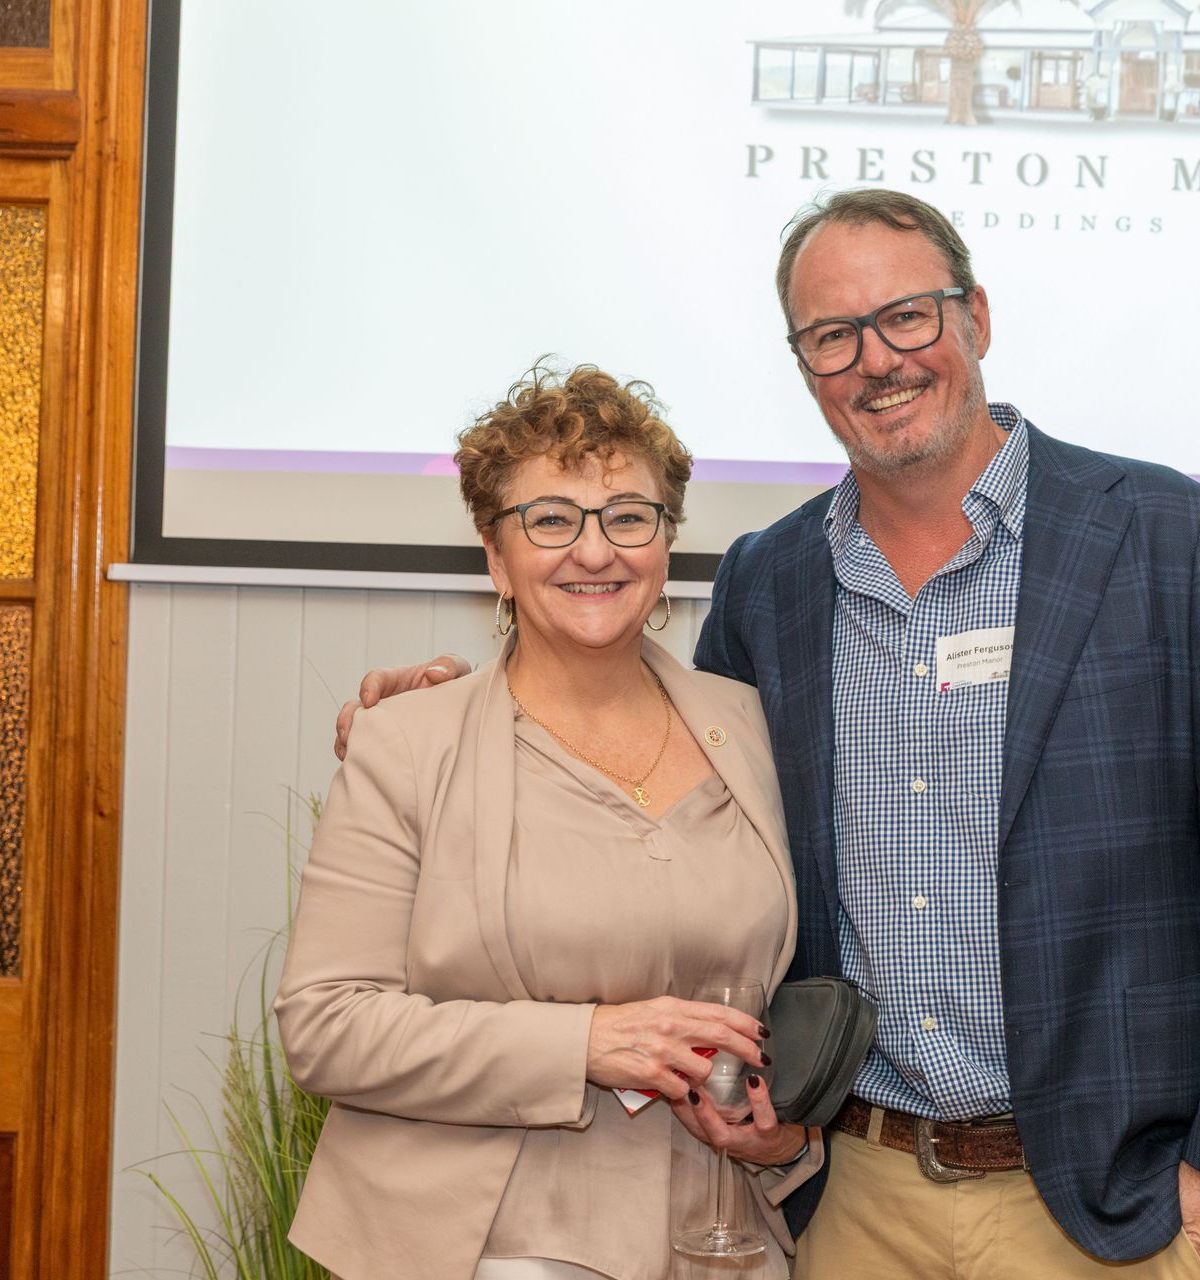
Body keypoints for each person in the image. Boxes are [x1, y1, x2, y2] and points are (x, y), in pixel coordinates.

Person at [343, 191, 1200, 1280]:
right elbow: (659, 770)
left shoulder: (1167, 536)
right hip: (853, 1197)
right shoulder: (771, 582)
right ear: (804, 363)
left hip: (1116, 1206)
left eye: (908, 316)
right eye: (833, 335)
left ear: (978, 318)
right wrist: (453, 703)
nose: (879, 359)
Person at [279, 365, 821, 1280]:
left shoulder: (759, 730)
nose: (595, 550)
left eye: (627, 517)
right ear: (495, 556)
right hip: (493, 1244)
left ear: (666, 544)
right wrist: (587, 1044)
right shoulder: (410, 742)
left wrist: (787, 1138)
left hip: (723, 1240)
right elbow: (327, 1026)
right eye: (552, 519)